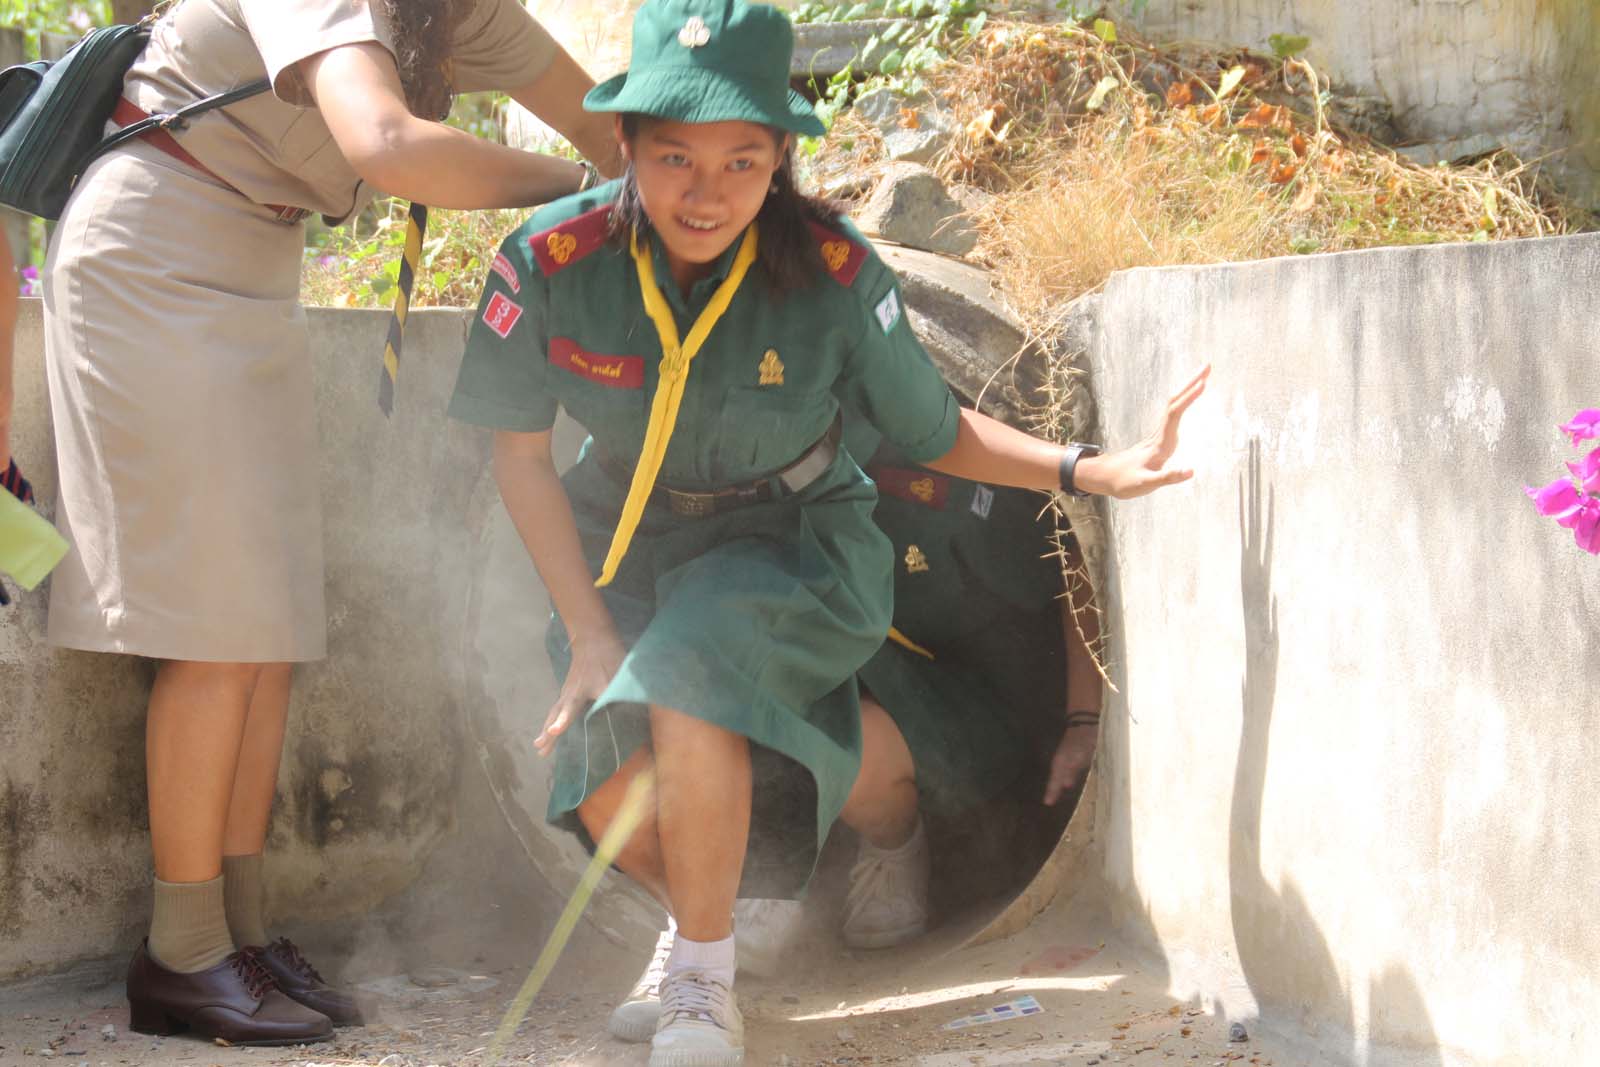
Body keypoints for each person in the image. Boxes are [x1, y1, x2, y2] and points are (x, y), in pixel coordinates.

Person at [446, 2, 1208, 1064]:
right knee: (600, 775)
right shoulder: (550, 262)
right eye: (674, 157)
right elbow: (521, 457)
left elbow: (936, 428)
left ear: (779, 159)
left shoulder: (832, 273)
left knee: (686, 678)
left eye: (741, 161)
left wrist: (1085, 468)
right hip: (623, 537)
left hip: (788, 536)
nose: (706, 193)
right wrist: (586, 630)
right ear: (624, 143)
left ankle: (700, 987)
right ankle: (709, 925)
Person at [41, 0, 619, 1048]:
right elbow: (385, 144)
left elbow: (611, 125)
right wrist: (583, 186)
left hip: (255, 264)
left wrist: (687, 184)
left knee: (268, 633)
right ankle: (180, 954)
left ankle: (240, 933)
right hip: (155, 252)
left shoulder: (457, 11)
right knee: (214, 633)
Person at [836, 417, 1103, 949]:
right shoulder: (781, 496)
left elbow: (1072, 557)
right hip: (908, 694)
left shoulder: (923, 474)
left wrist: (1084, 717)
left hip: (1019, 711)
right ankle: (869, 856)